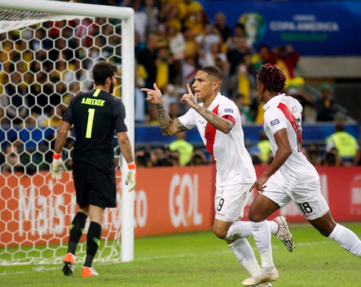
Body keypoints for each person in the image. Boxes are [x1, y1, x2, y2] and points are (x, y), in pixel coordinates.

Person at [142, 65, 294, 287]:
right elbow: (169, 129)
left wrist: (196, 107)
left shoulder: (226, 105)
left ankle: (275, 227)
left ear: (215, 85)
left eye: (200, 81)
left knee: (220, 230)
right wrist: (160, 106)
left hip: (239, 174)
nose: (194, 85)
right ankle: (264, 283)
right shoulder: (197, 109)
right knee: (230, 235)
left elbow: (225, 125)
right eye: (194, 80)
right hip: (223, 175)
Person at [245, 63, 361, 286]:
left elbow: (284, 148)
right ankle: (267, 269)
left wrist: (264, 176)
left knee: (328, 228)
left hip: (299, 178)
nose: (256, 89)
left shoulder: (272, 111)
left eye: (257, 85)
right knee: (255, 214)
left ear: (263, 86)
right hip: (286, 175)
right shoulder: (292, 103)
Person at [51, 61, 137, 278]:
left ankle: (70, 254)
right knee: (97, 215)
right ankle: (87, 266)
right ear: (109, 80)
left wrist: (56, 157)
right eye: (115, 77)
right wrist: (132, 166)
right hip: (101, 163)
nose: (115, 80)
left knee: (82, 208)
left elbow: (62, 131)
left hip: (79, 161)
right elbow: (123, 139)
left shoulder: (78, 98)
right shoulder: (115, 104)